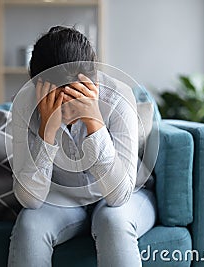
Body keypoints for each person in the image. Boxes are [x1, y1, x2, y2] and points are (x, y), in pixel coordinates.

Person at [8, 25, 156, 267]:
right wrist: (47, 132)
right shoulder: (24, 104)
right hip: (63, 200)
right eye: (56, 98)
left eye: (73, 96)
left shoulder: (118, 96)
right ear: (36, 86)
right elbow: (30, 200)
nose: (67, 110)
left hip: (129, 194)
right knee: (29, 225)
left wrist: (94, 123)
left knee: (113, 222)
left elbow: (119, 196)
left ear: (94, 79)